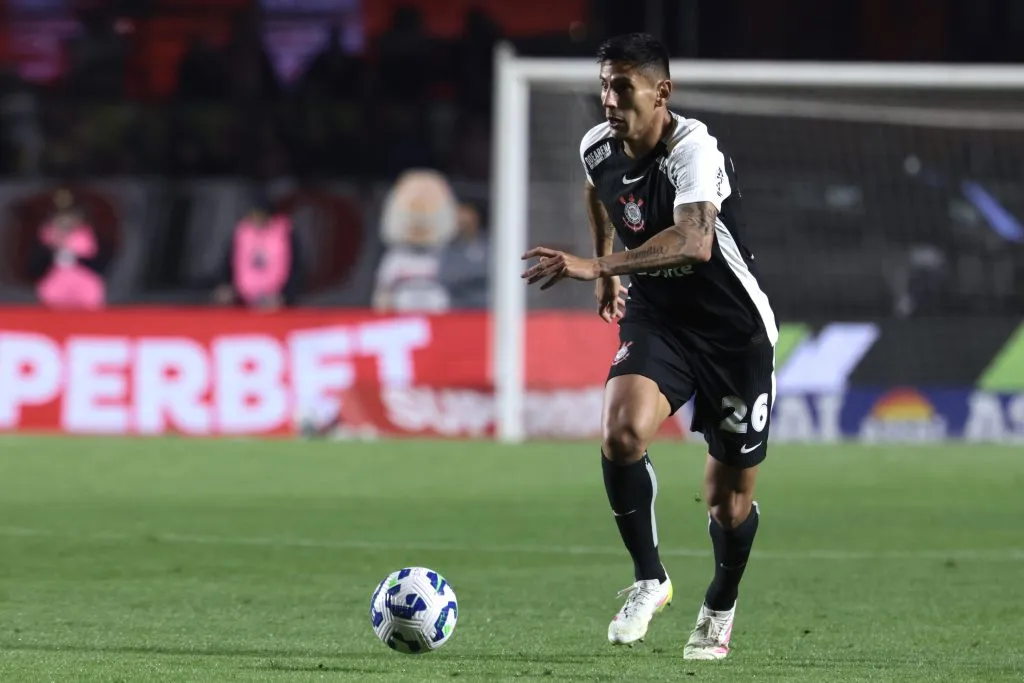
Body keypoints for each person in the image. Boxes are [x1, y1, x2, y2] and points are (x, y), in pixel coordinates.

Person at [521, 33, 777, 660]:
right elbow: (597, 190)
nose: (609, 98)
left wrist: (594, 263)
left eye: (623, 86)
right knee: (620, 433)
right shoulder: (598, 147)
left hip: (733, 333)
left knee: (727, 502)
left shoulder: (693, 149)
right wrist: (610, 278)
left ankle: (719, 604)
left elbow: (694, 242)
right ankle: (650, 578)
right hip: (659, 319)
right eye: (604, 84)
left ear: (661, 91)